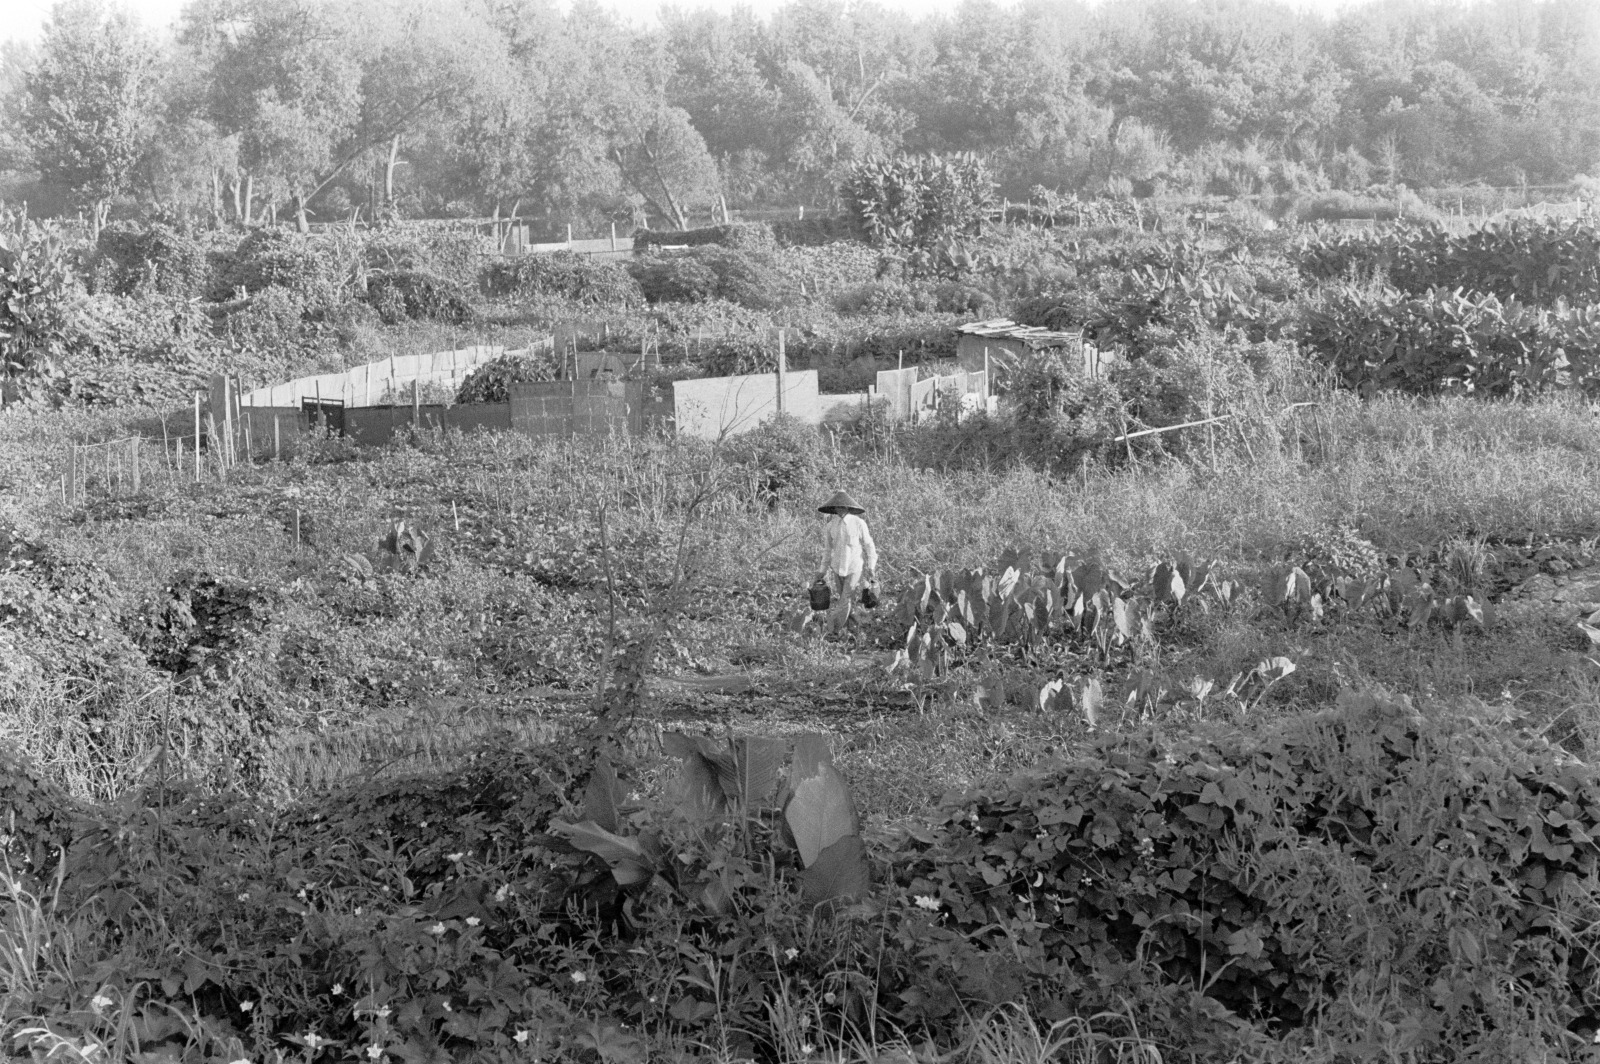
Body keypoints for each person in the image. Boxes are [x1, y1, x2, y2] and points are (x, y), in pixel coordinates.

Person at [815, 490, 877, 634]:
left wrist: (871, 566)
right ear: (834, 509)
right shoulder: (831, 526)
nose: (840, 509)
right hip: (837, 567)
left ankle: (832, 628)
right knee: (846, 601)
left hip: (854, 566)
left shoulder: (859, 523)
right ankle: (851, 629)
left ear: (848, 508)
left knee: (845, 598)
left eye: (843, 507)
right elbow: (827, 550)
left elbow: (869, 545)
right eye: (837, 507)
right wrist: (822, 570)